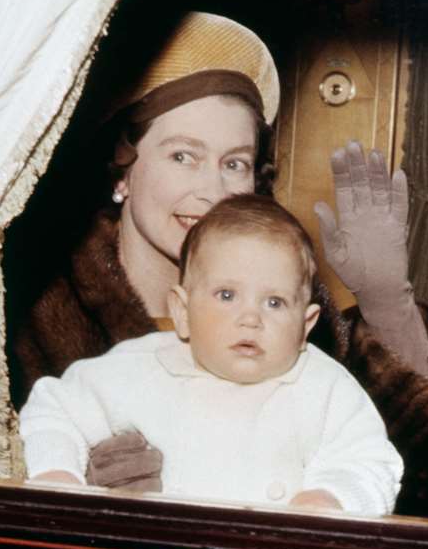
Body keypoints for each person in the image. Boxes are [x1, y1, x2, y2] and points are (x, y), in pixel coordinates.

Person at [10, 11, 428, 511]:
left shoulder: (290, 314)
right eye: (183, 156)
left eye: (235, 163)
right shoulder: (33, 320)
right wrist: (80, 481)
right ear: (120, 171)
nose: (211, 191)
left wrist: (388, 301)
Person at [20, 196, 403, 516]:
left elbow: (369, 461)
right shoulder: (138, 369)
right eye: (226, 295)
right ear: (183, 312)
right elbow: (56, 409)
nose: (251, 318)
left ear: (305, 326)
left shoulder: (325, 387)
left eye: (274, 302)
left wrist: (329, 498)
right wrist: (57, 475)